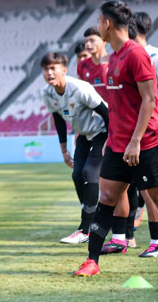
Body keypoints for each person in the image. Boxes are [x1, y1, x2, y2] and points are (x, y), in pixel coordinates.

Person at [74, 0, 158, 277]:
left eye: (98, 20)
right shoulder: (114, 57)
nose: (96, 26)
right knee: (107, 197)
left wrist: (136, 140)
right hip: (119, 143)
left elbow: (150, 100)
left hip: (146, 142)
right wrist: (114, 137)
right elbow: (119, 104)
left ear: (106, 23)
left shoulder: (137, 54)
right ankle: (92, 261)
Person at [101, 13, 158, 256]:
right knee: (122, 189)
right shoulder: (117, 57)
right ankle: (122, 238)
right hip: (124, 136)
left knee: (154, 190)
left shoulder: (155, 55)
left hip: (150, 133)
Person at [40, 52, 109, 245]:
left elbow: (106, 112)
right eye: (46, 69)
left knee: (89, 173)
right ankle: (91, 216)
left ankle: (85, 229)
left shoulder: (80, 88)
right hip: (84, 136)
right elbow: (59, 121)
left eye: (53, 68)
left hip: (103, 132)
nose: (49, 73)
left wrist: (110, 141)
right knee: (77, 175)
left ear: (64, 69)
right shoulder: (46, 93)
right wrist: (64, 150)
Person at [77, 27, 109, 101]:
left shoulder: (114, 61)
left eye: (92, 41)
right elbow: (81, 92)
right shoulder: (82, 65)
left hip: (113, 109)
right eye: (86, 41)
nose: (87, 44)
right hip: (92, 110)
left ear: (104, 41)